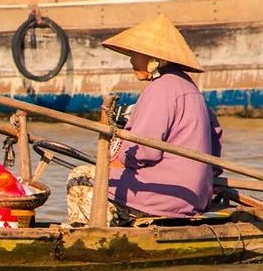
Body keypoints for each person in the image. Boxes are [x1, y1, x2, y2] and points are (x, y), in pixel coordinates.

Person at [66, 13, 223, 227]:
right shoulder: (190, 87)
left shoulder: (160, 89)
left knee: (80, 177)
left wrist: (118, 160)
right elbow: (216, 142)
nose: (131, 59)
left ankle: (91, 239)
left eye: (135, 54)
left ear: (153, 60)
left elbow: (143, 151)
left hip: (166, 193)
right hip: (197, 195)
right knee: (103, 173)